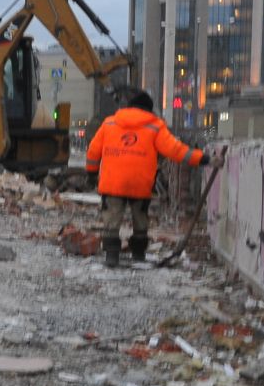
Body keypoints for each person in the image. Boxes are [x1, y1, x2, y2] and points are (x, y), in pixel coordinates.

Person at [85, 90, 205, 269]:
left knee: (111, 221)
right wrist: (203, 158)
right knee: (140, 220)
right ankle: (138, 254)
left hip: (112, 183)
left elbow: (93, 151)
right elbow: (176, 150)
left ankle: (111, 256)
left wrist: (92, 173)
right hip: (140, 183)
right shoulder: (155, 126)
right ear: (149, 110)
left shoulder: (109, 123)